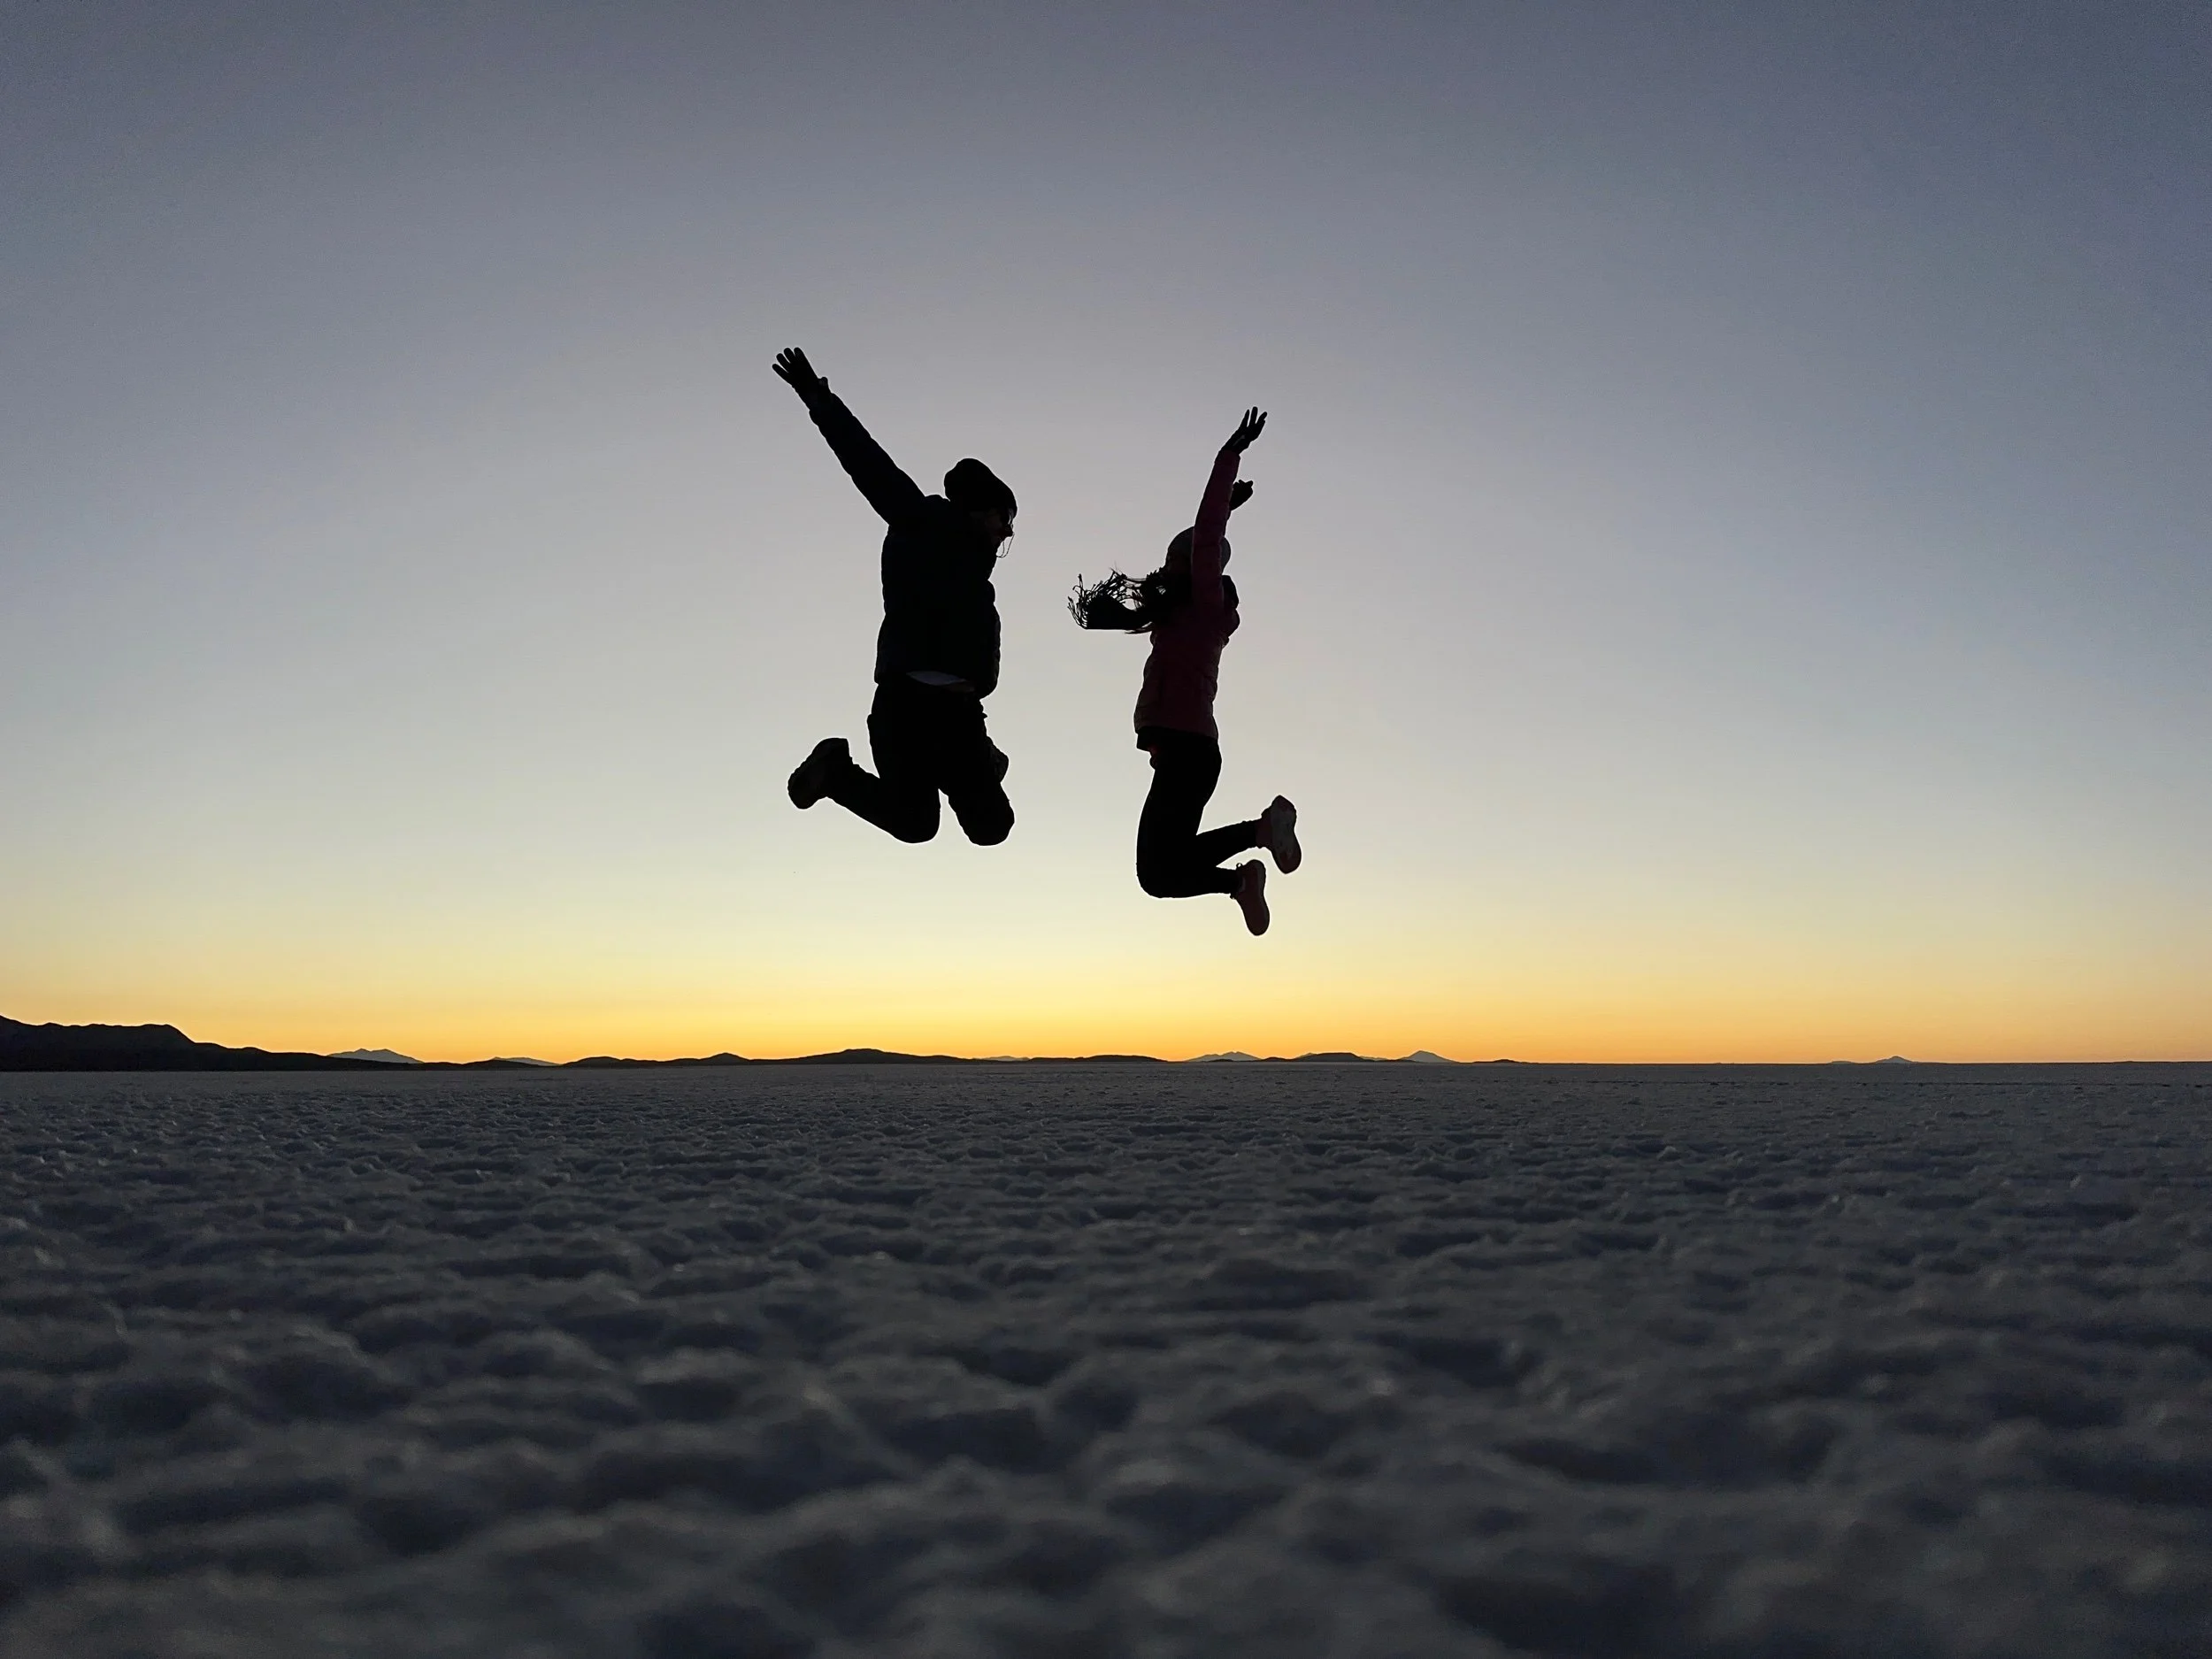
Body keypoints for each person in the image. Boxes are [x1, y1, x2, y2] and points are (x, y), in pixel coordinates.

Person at [773, 347, 1018, 846]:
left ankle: (979, 760)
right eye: (1004, 519)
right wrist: (819, 399)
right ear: (979, 510)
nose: (1006, 532)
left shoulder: (978, 578)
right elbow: (868, 463)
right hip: (905, 709)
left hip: (959, 717)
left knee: (993, 827)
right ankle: (835, 773)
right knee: (916, 824)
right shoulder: (920, 522)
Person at [1069, 408, 1299, 934]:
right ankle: (1246, 869)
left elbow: (1204, 539)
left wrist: (1228, 458)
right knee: (1158, 873)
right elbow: (1198, 541)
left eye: (1182, 558)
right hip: (1182, 753)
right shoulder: (1182, 612)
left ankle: (1262, 834)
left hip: (1189, 752)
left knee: (1157, 871)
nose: (1168, 567)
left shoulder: (1204, 598)